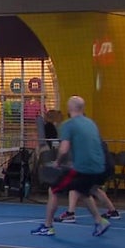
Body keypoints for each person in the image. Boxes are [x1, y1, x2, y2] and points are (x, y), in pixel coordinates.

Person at [32, 96, 112, 237]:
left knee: (54, 190)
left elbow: (63, 149)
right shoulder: (91, 123)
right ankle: (100, 221)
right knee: (83, 191)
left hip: (82, 167)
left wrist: (57, 162)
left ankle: (47, 226)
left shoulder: (69, 125)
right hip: (99, 166)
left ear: (69, 108)